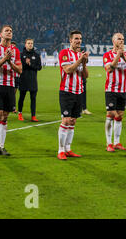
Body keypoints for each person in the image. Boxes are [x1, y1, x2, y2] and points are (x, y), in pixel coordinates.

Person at [0, 25, 22, 156]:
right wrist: (4, 59)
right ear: (0, 34)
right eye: (6, 31)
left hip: (10, 86)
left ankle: (2, 146)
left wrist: (10, 62)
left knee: (5, 116)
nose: (9, 32)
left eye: (11, 31)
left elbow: (19, 70)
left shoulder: (15, 50)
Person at [57, 30, 89, 160]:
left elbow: (86, 75)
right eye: (76, 38)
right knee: (65, 120)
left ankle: (68, 149)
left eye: (80, 38)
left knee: (73, 121)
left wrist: (84, 63)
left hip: (79, 92)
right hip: (66, 91)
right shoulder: (64, 53)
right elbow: (68, 70)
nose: (79, 41)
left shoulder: (81, 55)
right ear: (70, 40)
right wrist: (80, 60)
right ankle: (60, 150)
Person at [103, 33, 126, 152]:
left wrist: (124, 57)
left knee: (120, 116)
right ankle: (109, 143)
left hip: (122, 90)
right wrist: (118, 56)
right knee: (111, 114)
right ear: (113, 41)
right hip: (111, 90)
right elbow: (109, 68)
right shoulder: (107, 55)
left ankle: (117, 142)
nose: (121, 41)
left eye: (123, 39)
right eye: (119, 39)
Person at [18, 39, 42, 122]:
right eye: (28, 43)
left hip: (33, 80)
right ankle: (20, 113)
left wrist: (30, 64)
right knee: (22, 97)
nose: (30, 45)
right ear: (25, 44)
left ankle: (33, 116)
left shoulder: (36, 55)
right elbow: (19, 67)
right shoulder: (21, 55)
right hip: (23, 79)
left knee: (33, 98)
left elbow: (39, 67)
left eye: (31, 43)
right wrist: (25, 63)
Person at [11, 41, 20, 113]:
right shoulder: (6, 55)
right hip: (9, 76)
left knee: (14, 93)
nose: (13, 48)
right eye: (12, 46)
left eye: (14, 46)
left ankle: (13, 108)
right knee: (8, 92)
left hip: (16, 77)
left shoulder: (17, 55)